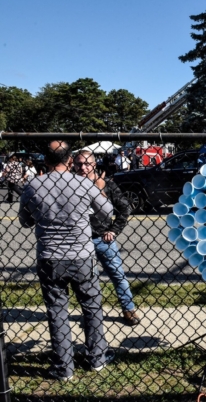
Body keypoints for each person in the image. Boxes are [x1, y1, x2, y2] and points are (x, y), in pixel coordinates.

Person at [18, 141, 114, 381]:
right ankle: (97, 358)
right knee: (91, 306)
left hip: (50, 256)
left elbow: (25, 221)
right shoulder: (82, 183)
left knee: (57, 310)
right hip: (82, 255)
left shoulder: (33, 185)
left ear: (45, 160)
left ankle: (64, 367)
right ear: (70, 160)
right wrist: (97, 191)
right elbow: (107, 212)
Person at [74, 151, 140, 326]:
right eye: (79, 164)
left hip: (102, 239)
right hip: (79, 241)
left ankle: (128, 309)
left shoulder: (107, 185)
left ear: (94, 165)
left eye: (87, 164)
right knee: (86, 280)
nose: (83, 167)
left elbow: (125, 208)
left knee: (118, 276)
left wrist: (114, 230)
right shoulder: (70, 185)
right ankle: (92, 315)